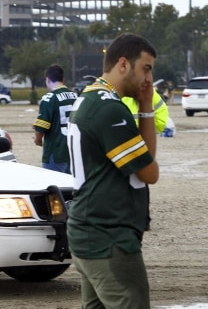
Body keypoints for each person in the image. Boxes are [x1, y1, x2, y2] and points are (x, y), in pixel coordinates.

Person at [67, 33, 159, 309]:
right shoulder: (108, 109)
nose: (149, 79)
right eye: (146, 68)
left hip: (90, 232)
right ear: (123, 64)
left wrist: (145, 106)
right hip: (107, 238)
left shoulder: (93, 98)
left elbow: (144, 158)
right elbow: (150, 173)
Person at [33, 64, 77, 173]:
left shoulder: (49, 98)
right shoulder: (75, 96)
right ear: (63, 79)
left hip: (55, 151)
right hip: (73, 150)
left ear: (47, 79)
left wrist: (38, 139)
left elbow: (41, 128)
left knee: (54, 187)